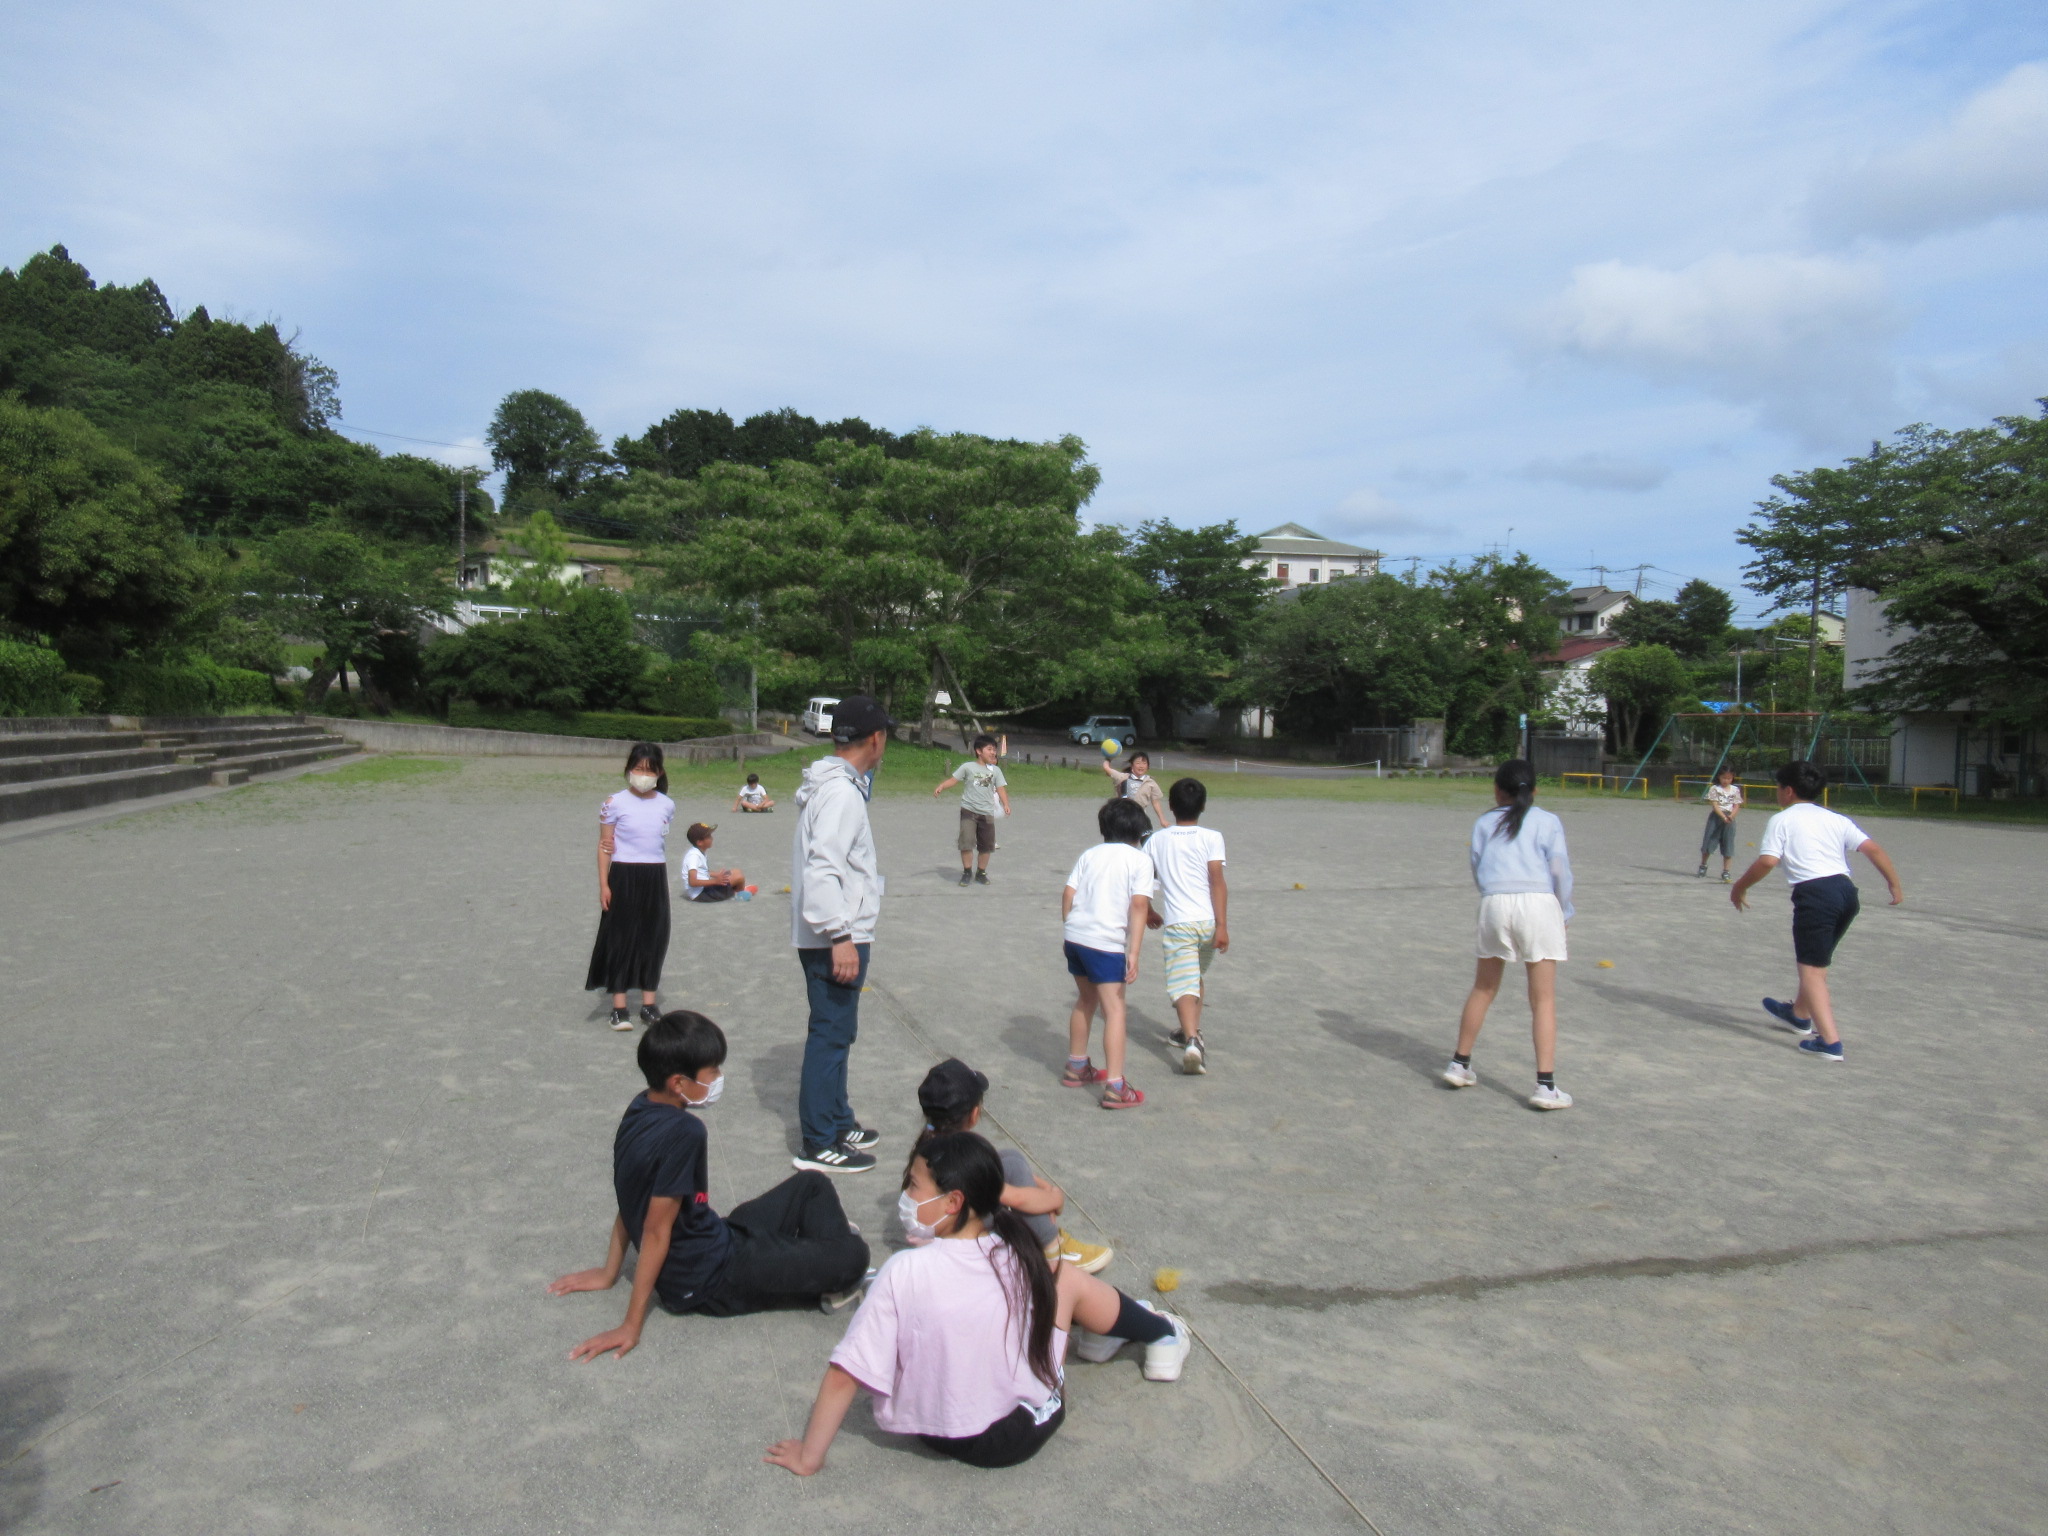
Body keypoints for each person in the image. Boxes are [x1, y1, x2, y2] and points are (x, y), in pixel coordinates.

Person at [763, 1131, 1188, 1476]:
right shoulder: (1013, 1249)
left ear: (953, 1202)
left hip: (934, 1428)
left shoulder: (904, 1269)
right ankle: (1162, 1333)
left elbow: (845, 1374)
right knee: (1068, 1281)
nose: (906, 1195)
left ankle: (1115, 1333)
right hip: (1010, 1435)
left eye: (913, 1185)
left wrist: (809, 1455)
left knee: (1049, 1290)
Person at [548, 1012, 872, 1359]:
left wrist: (610, 1272)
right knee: (854, 1256)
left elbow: (630, 1197)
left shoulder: (639, 1107)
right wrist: (631, 1324)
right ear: (679, 1083)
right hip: (709, 1278)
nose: (719, 1078)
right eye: (713, 1071)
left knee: (812, 1184)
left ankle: (818, 1254)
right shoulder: (686, 1133)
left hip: (716, 1234)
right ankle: (831, 1272)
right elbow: (656, 1231)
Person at [1730, 759, 1904, 1062]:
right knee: (1817, 961)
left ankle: (1829, 1042)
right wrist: (1894, 885)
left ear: (1787, 791)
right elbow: (1872, 848)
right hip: (1846, 894)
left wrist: (1739, 887)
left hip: (1815, 895)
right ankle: (1799, 1014)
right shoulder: (1835, 818)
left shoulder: (1782, 819)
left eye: (1778, 788)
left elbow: (1768, 862)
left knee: (1811, 971)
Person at [790, 693, 894, 1173]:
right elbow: (823, 867)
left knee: (840, 1030)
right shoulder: (840, 793)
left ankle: (837, 1117)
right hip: (834, 934)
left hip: (838, 929)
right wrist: (840, 935)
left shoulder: (836, 784)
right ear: (875, 739)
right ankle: (818, 1140)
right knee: (830, 1033)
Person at [1442, 760, 1576, 1110]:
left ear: (1497, 790)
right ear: (1534, 790)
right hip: (1538, 903)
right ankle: (1545, 1086)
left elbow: (1477, 865)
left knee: (1483, 987)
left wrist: (1492, 896)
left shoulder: (1485, 821)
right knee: (1542, 998)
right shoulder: (1547, 821)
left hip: (1494, 902)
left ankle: (1460, 1063)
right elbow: (1559, 869)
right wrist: (1564, 910)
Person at [912, 1057, 1113, 1274]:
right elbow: (1017, 1198)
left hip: (934, 1226)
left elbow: (995, 1169)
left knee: (1010, 1159)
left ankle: (1042, 1233)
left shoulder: (928, 1145)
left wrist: (1040, 1187)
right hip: (952, 1239)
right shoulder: (965, 1160)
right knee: (1013, 1186)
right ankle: (1052, 1249)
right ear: (974, 1114)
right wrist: (1054, 1198)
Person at [1060, 797, 1155, 1109]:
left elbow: (1069, 893)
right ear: (1139, 831)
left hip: (1076, 937)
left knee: (1085, 1000)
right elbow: (1139, 905)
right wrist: (1134, 952)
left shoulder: (1090, 854)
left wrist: (1072, 927)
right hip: (1105, 943)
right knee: (1114, 1010)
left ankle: (1076, 1067)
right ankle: (1115, 1085)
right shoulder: (1139, 860)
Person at [585, 742, 674, 1032]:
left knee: (654, 937)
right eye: (638, 769)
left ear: (659, 773)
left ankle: (649, 1004)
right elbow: (604, 846)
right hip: (623, 874)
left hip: (654, 875)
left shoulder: (666, 804)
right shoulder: (614, 802)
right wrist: (604, 884)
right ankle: (619, 1007)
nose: (643, 775)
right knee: (621, 938)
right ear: (628, 770)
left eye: (649, 770)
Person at [932, 733, 1011, 886]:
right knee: (966, 842)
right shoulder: (967, 767)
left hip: (987, 812)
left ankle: (981, 872)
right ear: (979, 751)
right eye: (989, 749)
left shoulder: (995, 771)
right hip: (969, 811)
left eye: (994, 750)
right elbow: (954, 780)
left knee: (986, 845)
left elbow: (1001, 788)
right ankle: (967, 871)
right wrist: (942, 786)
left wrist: (1006, 804)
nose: (993, 752)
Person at [1100, 749, 1167, 829]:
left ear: (1148, 766)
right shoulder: (1123, 777)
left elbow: (1156, 803)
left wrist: (1162, 820)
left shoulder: (1150, 783)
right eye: (1138, 763)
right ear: (1132, 765)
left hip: (1140, 817)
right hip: (1123, 816)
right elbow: (1106, 768)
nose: (1141, 766)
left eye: (1144, 763)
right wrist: (1108, 758)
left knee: (1145, 839)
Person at [1697, 766, 1744, 881]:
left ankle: (1726, 871)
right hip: (1717, 817)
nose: (1726, 781)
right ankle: (1703, 865)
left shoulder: (1735, 790)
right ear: (1719, 777)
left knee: (1728, 844)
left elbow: (1737, 805)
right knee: (1709, 841)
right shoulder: (1714, 788)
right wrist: (1723, 816)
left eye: (1729, 778)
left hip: (1729, 818)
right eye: (1724, 778)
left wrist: (1731, 816)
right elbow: (1715, 805)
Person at [681, 822, 744, 903]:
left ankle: (733, 890)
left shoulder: (697, 852)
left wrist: (716, 874)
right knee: (739, 877)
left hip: (704, 889)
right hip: (702, 894)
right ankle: (738, 894)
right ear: (699, 842)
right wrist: (715, 881)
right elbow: (692, 882)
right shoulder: (694, 856)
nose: (712, 838)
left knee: (736, 871)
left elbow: (701, 872)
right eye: (708, 837)